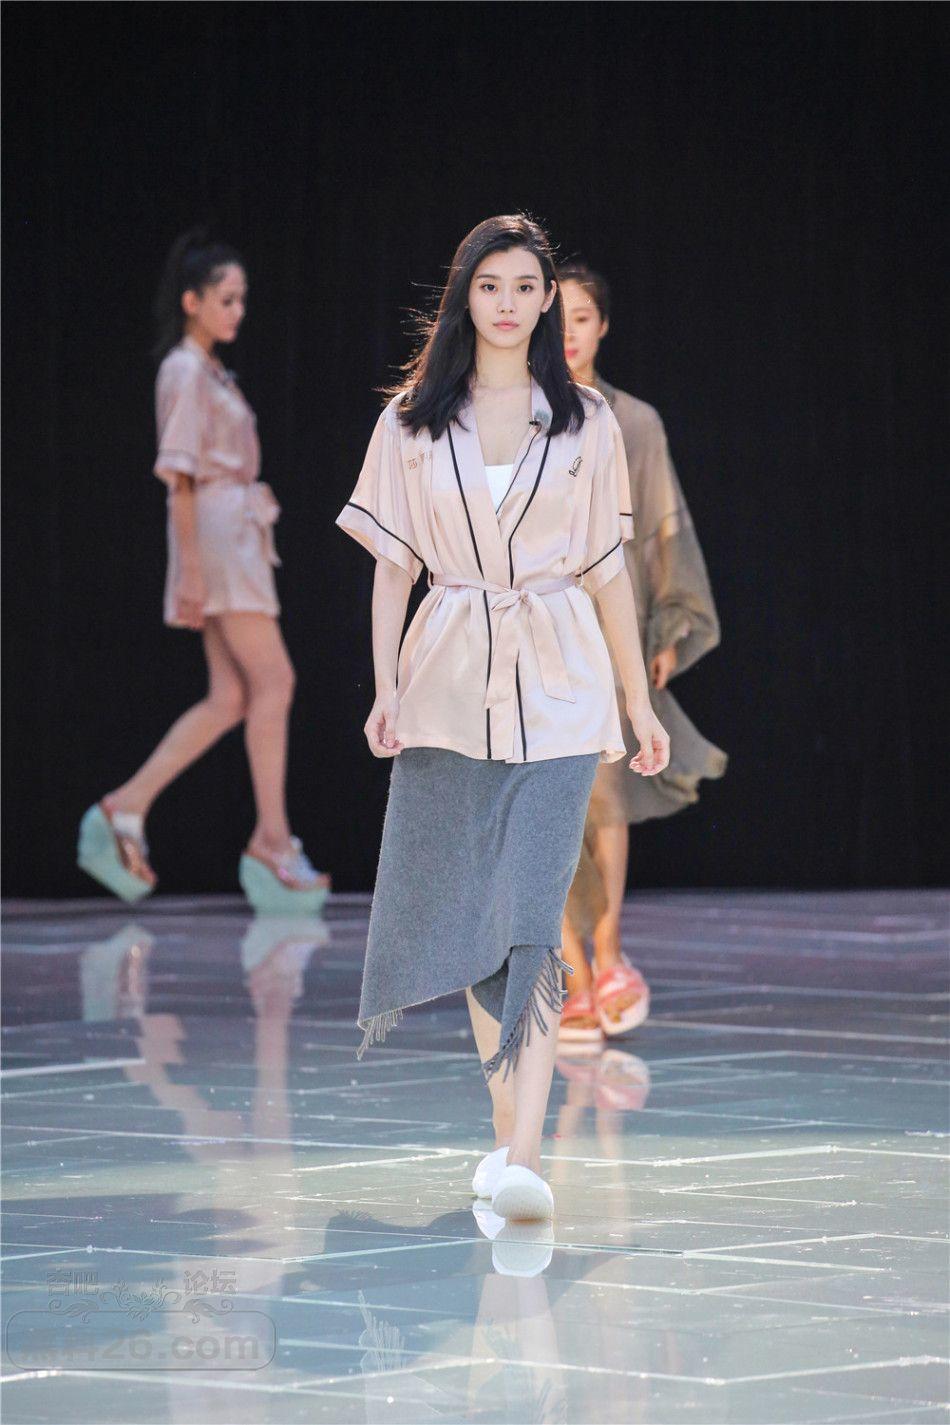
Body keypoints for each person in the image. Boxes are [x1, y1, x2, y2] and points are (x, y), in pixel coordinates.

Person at [336, 215, 670, 1222]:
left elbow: (608, 573)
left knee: (530, 919)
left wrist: (636, 701)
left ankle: (525, 1153)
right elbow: (391, 571)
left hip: (562, 689)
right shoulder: (408, 421)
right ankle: (505, 1136)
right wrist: (385, 687)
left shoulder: (585, 422)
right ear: (464, 296)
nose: (510, 304)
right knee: (476, 930)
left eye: (527, 287)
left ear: (547, 300)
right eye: (491, 286)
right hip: (447, 689)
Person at [77, 231, 329, 912]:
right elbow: (180, 478)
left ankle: (125, 805)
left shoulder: (209, 370)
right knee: (274, 680)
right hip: (218, 534)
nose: (237, 310)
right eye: (226, 298)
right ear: (192, 301)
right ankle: (271, 839)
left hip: (233, 528)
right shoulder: (185, 371)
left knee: (231, 697)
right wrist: (189, 572)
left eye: (242, 299)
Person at [556, 262, 726, 1044]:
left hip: (610, 622)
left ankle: (610, 949)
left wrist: (665, 633)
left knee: (607, 790)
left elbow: (662, 534)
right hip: (537, 621)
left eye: (581, 317)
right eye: (556, 317)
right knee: (545, 798)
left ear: (603, 326)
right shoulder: (515, 414)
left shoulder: (634, 422)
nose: (567, 333)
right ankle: (573, 971)